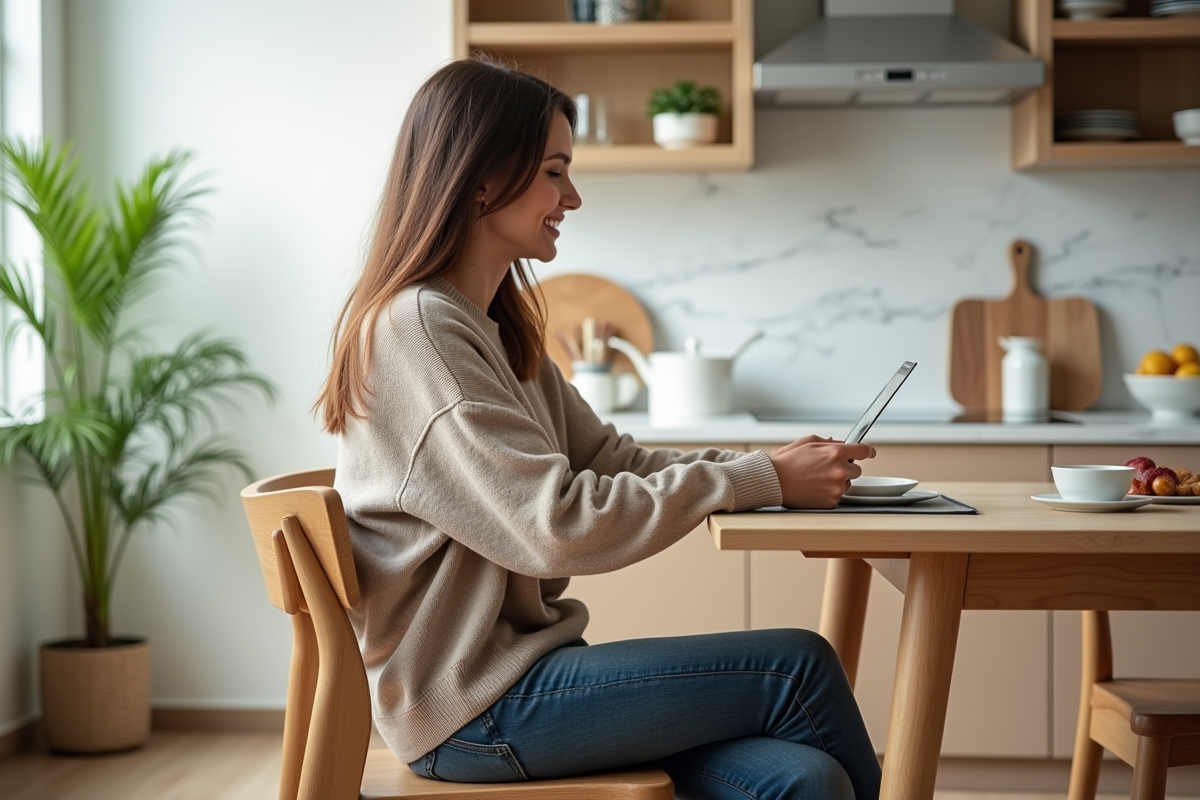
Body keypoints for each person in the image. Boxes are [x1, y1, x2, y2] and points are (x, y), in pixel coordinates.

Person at [316, 58, 881, 800]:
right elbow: (555, 524)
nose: (571, 197)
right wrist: (760, 481)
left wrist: (767, 464)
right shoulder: (420, 330)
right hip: (475, 709)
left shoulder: (491, 330)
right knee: (797, 665)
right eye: (555, 172)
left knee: (806, 780)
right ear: (482, 179)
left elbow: (610, 459)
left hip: (527, 683)